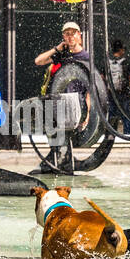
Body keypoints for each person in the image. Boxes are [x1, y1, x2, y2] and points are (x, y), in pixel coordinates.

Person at [34, 21, 91, 171]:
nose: (70, 37)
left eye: (73, 33)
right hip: (58, 102)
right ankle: (57, 157)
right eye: (67, 34)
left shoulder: (86, 57)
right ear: (63, 37)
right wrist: (57, 48)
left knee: (68, 133)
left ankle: (64, 158)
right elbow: (38, 61)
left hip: (76, 103)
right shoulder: (62, 54)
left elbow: (89, 89)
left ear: (79, 36)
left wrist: (88, 113)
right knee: (53, 131)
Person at [107, 39, 130, 127]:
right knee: (126, 115)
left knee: (112, 115)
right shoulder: (126, 63)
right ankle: (127, 134)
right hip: (124, 93)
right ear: (121, 50)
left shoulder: (108, 63)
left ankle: (111, 135)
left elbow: (102, 77)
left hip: (111, 93)